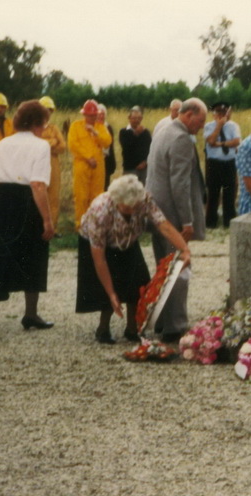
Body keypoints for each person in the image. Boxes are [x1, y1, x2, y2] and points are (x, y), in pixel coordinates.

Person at [0, 100, 56, 341]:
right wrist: (47, 220)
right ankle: (30, 314)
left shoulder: (3, 144)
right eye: (43, 124)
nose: (44, 129)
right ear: (37, 122)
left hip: (2, 200)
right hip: (27, 201)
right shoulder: (41, 146)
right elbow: (37, 184)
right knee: (34, 253)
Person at [77, 175, 191, 344]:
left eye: (135, 207)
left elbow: (164, 226)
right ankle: (103, 328)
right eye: (127, 208)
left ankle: (132, 328)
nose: (133, 210)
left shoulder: (143, 199)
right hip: (102, 245)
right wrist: (111, 293)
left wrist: (184, 249)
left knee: (138, 282)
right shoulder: (100, 210)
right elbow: (99, 259)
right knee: (108, 290)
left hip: (128, 239)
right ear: (116, 201)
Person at [146, 97, 208, 343]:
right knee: (180, 267)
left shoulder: (163, 129)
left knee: (163, 267)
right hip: (171, 215)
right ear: (189, 114)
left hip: (155, 210)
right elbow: (179, 184)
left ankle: (161, 320)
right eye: (200, 121)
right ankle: (176, 325)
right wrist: (187, 222)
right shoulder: (181, 138)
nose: (201, 127)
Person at [68, 99, 113, 225]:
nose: (92, 117)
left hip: (98, 166)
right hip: (82, 165)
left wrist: (95, 133)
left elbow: (107, 141)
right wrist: (88, 157)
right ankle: (81, 225)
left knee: (97, 196)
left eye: (94, 115)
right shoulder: (76, 126)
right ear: (84, 114)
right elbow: (73, 145)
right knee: (81, 197)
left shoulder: (101, 127)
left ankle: (96, 224)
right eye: (90, 115)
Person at [203, 101, 241, 229]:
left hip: (229, 162)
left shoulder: (233, 126)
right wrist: (218, 126)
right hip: (214, 163)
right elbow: (211, 140)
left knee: (229, 193)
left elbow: (236, 141)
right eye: (219, 112)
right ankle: (211, 222)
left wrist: (221, 144)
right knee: (213, 193)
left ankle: (228, 221)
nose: (222, 115)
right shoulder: (209, 126)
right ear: (214, 114)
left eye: (224, 112)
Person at [37, 96, 66, 228]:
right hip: (37, 165)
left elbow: (63, 147)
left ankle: (52, 228)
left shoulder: (54, 128)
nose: (47, 113)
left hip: (53, 164)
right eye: (44, 110)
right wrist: (52, 142)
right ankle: (37, 226)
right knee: (37, 194)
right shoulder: (33, 128)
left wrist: (49, 146)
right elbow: (34, 145)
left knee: (53, 197)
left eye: (49, 110)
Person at [119, 106, 152, 185]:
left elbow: (150, 148)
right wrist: (136, 134)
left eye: (138, 118)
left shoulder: (146, 132)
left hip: (144, 169)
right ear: (129, 118)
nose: (136, 120)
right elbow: (126, 147)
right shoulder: (124, 132)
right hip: (130, 169)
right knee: (129, 192)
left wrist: (145, 162)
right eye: (134, 118)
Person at [97, 103, 117, 189]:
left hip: (106, 161)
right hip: (95, 160)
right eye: (99, 114)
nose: (101, 116)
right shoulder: (92, 127)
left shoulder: (108, 127)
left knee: (105, 184)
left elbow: (111, 147)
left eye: (103, 114)